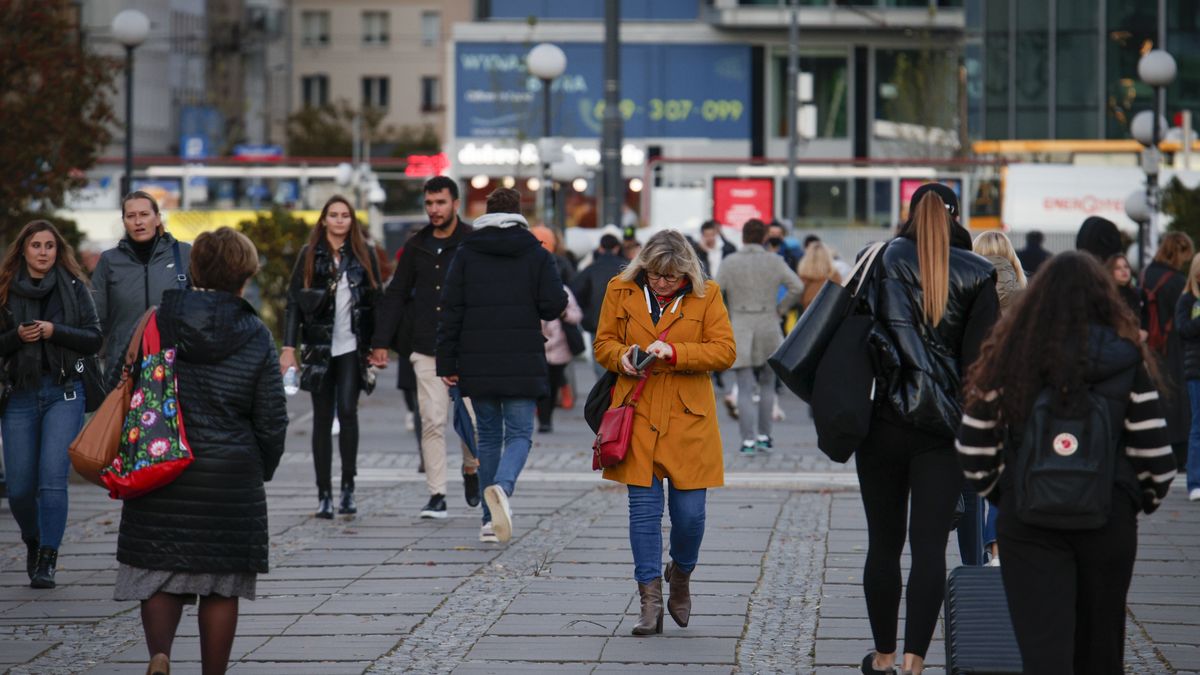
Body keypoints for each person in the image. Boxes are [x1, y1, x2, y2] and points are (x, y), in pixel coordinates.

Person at [958, 251, 1175, 674]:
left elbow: (973, 446)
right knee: (1100, 652)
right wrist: (1129, 501)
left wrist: (1009, 495)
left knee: (1043, 654)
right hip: (1106, 520)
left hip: (1028, 523)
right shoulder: (1127, 360)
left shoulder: (1007, 360)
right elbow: (1158, 461)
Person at [115, 227, 288, 675]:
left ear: (194, 269)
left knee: (159, 570)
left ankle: (160, 655)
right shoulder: (255, 332)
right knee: (221, 585)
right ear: (244, 276)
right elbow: (270, 416)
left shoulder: (156, 319)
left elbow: (127, 382)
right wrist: (260, 468)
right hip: (229, 474)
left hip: (160, 462)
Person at [857, 183, 999, 675]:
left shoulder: (879, 260)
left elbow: (858, 337)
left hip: (880, 423)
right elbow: (982, 366)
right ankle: (916, 662)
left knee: (883, 543)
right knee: (929, 549)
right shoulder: (981, 273)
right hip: (944, 430)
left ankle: (883, 657)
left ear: (910, 212)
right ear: (957, 216)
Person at [593, 230, 736, 636]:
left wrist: (676, 353)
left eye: (671, 278)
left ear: (686, 273)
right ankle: (649, 602)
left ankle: (682, 575)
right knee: (643, 514)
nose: (661, 283)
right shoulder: (619, 290)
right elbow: (602, 343)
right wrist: (622, 357)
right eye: (655, 275)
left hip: (689, 419)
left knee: (690, 518)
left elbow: (725, 351)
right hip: (635, 417)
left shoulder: (707, 295)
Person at [436, 188, 567, 543]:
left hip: (476, 358)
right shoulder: (536, 254)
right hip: (522, 357)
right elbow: (553, 306)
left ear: (486, 213)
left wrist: (447, 362)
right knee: (521, 434)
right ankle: (503, 489)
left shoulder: (466, 253)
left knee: (489, 436)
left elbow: (450, 311)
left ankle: (488, 521)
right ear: (519, 213)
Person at [370, 176, 481, 518]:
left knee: (471, 423)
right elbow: (397, 294)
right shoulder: (416, 246)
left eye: (440, 203)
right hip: (426, 347)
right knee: (432, 421)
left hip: (467, 349)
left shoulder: (472, 242)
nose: (434, 209)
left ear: (455, 204)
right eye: (429, 203)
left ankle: (471, 468)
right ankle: (437, 494)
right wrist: (380, 343)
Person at [0, 220, 101, 589]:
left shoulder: (75, 287)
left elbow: (94, 338)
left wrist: (54, 331)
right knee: (20, 487)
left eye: (50, 246)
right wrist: (17, 337)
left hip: (64, 391)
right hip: (19, 394)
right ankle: (32, 537)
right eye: (36, 245)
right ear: (23, 250)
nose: (44, 252)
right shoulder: (6, 289)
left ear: (59, 251)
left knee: (52, 481)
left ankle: (48, 558)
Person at [281, 195, 380, 519]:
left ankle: (348, 489)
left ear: (352, 221)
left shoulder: (364, 254)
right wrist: (288, 348)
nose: (339, 220)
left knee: (348, 412)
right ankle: (324, 493)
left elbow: (375, 302)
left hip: (352, 347)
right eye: (333, 215)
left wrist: (379, 344)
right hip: (319, 349)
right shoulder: (310, 255)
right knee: (322, 420)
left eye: (345, 215)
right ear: (323, 220)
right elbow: (294, 302)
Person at [716, 219, 803, 454]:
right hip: (768, 323)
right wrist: (780, 309)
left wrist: (727, 314)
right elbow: (796, 286)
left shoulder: (730, 262)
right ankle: (765, 436)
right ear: (764, 237)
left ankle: (747, 440)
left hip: (740, 324)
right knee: (767, 386)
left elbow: (714, 292)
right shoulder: (774, 261)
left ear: (743, 237)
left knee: (744, 387)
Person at [970, 230, 1028, 565]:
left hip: (974, 385)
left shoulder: (965, 285)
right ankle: (998, 547)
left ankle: (978, 547)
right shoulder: (1026, 294)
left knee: (973, 469)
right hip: (1014, 389)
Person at [92, 191, 191, 383]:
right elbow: (96, 320)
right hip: (123, 369)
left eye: (144, 214)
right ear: (124, 222)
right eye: (131, 216)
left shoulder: (184, 254)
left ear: (157, 219)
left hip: (175, 365)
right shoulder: (109, 261)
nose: (138, 222)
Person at [1142, 231, 1195, 471]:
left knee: (1156, 395)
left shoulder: (1146, 275)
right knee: (1179, 401)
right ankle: (1178, 453)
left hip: (1150, 345)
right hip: (1173, 344)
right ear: (1180, 252)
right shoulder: (1176, 281)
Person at [572, 234, 627, 375]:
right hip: (623, 322)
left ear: (601, 248)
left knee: (600, 362)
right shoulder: (627, 267)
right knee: (623, 359)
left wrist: (586, 314)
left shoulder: (591, 269)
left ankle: (604, 395)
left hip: (596, 322)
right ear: (617, 248)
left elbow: (575, 292)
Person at [1175, 252, 1200, 502]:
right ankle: (1195, 481)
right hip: (1196, 370)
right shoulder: (1187, 300)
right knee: (1198, 427)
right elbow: (1183, 330)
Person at [796, 240, 843, 311]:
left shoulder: (803, 276)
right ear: (827, 256)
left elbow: (798, 296)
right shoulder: (835, 275)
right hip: (828, 314)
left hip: (807, 315)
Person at [1107, 253, 1144, 319]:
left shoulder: (1139, 293)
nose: (1124, 270)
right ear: (1111, 272)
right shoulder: (1108, 296)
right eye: (1118, 268)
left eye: (1126, 266)